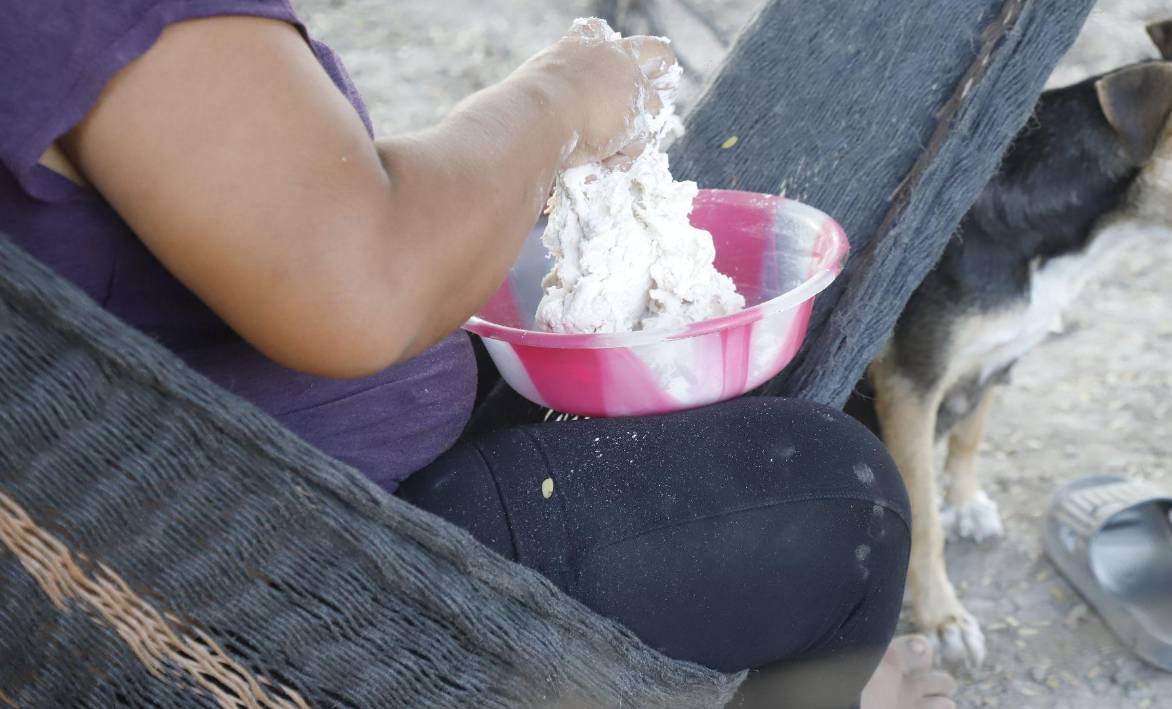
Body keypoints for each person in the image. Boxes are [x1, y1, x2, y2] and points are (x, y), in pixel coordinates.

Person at [0, 3, 955, 707]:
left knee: (655, 397)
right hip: (275, 581)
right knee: (844, 500)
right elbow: (360, 283)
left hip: (201, 495)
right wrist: (562, 94)